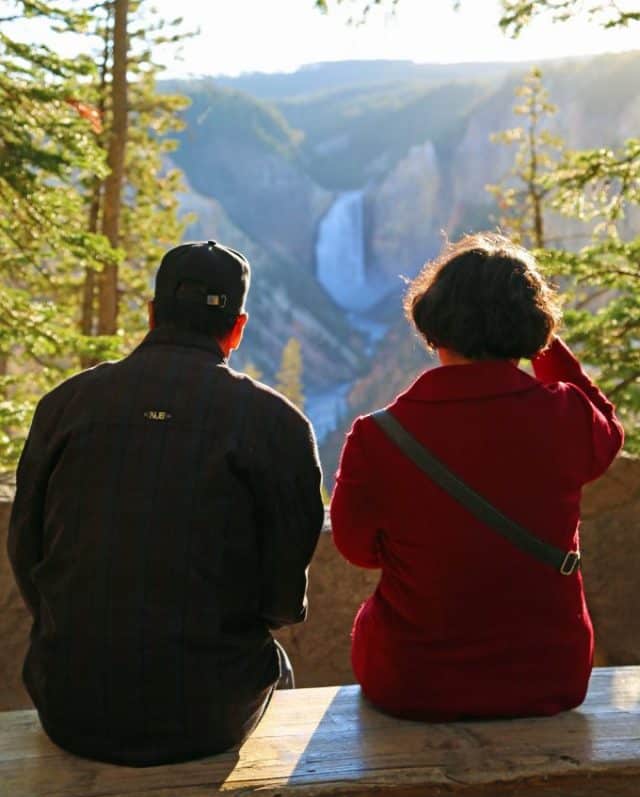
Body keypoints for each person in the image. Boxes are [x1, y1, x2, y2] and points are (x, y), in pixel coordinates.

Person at [8, 240, 324, 765]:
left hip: (70, 706)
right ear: (238, 329)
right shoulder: (278, 425)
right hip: (207, 718)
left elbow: (26, 551)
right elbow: (282, 604)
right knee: (276, 669)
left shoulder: (65, 403)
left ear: (153, 315)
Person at [331, 232, 623, 722]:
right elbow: (608, 431)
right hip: (548, 678)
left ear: (433, 323)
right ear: (532, 329)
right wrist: (542, 343)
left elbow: (357, 549)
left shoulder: (377, 437)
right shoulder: (568, 416)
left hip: (413, 682)